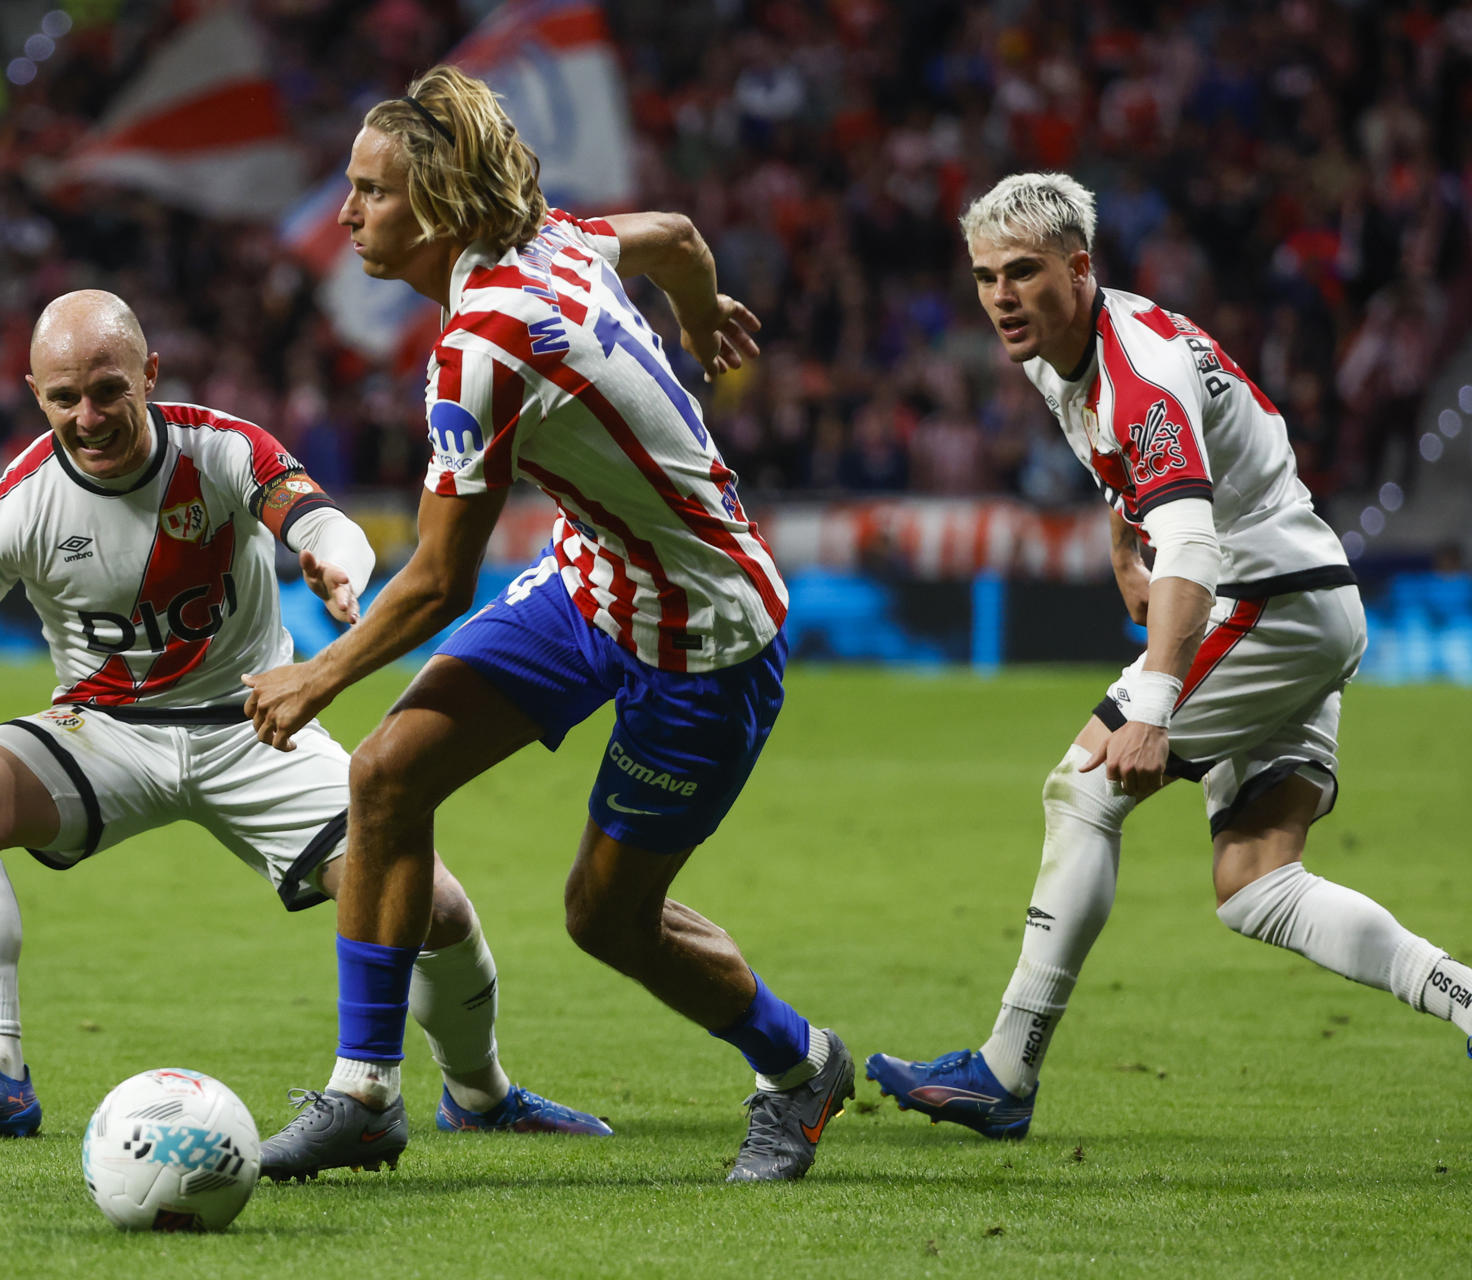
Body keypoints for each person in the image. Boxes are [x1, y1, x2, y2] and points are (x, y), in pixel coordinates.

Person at [0, 289, 608, 1142]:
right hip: (105, 733)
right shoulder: (17, 507)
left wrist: (335, 563)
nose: (88, 418)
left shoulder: (223, 449)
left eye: (108, 391)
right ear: (35, 395)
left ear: (150, 374)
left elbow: (320, 521)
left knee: (435, 908)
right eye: (64, 398)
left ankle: (480, 1093)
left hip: (256, 724)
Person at [241, 67, 849, 1184]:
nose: (346, 214)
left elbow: (439, 581)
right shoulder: (552, 242)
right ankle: (364, 1095)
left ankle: (800, 1064)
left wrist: (317, 674)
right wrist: (698, 311)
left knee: (606, 919)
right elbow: (674, 237)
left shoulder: (484, 346)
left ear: (436, 207)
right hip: (592, 580)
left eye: (370, 192)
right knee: (386, 777)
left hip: (703, 638)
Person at [865, 173, 1472, 1138]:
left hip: (1264, 598)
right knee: (1258, 885)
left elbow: (1191, 541)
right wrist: (1121, 550)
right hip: (1303, 597)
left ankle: (1004, 1074)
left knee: (1082, 790)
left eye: (1023, 273)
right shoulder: (1065, 352)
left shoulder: (1138, 372)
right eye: (984, 277)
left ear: (1079, 267)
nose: (1001, 297)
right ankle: (1465, 998)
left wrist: (1152, 708)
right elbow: (1131, 473)